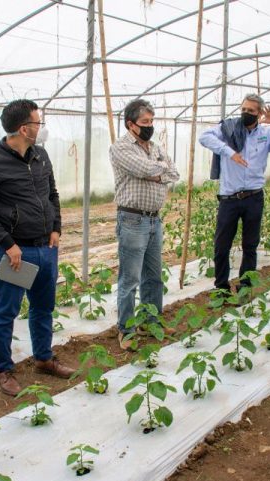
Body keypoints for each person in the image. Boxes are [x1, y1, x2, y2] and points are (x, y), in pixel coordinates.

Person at [0, 99, 75, 397]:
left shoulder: (40, 155)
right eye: (38, 123)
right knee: (6, 313)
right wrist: (8, 245)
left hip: (45, 250)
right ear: (23, 128)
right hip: (18, 255)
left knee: (43, 308)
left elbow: (52, 194)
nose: (42, 128)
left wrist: (56, 229)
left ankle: (43, 358)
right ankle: (4, 369)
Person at [199, 93, 270, 293]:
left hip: (253, 197)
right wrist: (229, 152)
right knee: (221, 246)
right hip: (229, 199)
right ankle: (221, 288)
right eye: (243, 109)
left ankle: (244, 286)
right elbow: (204, 137)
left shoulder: (266, 134)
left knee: (250, 245)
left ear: (260, 114)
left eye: (251, 111)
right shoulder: (228, 130)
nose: (245, 113)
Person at [110, 99, 180, 350]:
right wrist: (158, 171)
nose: (149, 126)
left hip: (153, 218)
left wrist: (157, 171)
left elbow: (173, 173)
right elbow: (141, 169)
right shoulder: (120, 148)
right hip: (132, 219)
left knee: (153, 276)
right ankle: (126, 329)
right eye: (145, 122)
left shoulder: (155, 148)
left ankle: (151, 322)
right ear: (131, 124)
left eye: (151, 121)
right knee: (129, 279)